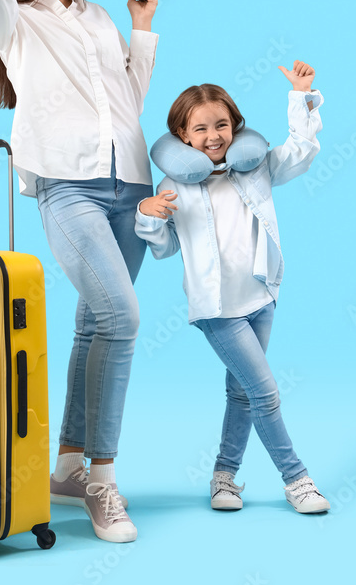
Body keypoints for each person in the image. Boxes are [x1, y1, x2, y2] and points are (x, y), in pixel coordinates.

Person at [0, 0, 159, 542]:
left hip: (129, 184)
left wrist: (140, 26)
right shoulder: (15, 18)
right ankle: (103, 480)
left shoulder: (100, 17)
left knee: (94, 326)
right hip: (65, 184)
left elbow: (129, 102)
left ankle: (68, 467)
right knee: (123, 318)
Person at [134, 60, 331, 514]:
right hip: (217, 309)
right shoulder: (172, 187)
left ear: (235, 126)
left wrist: (300, 96)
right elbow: (163, 249)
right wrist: (148, 214)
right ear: (183, 136)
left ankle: (224, 478)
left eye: (222, 124)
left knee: (241, 392)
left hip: (261, 296)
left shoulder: (255, 168)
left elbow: (301, 151)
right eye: (200, 128)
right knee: (264, 392)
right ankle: (297, 480)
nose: (213, 136)